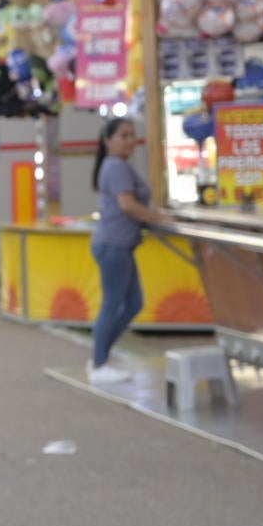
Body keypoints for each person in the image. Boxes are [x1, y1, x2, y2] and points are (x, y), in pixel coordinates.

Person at [89, 116, 172, 384]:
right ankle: (99, 363)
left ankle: (101, 353)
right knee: (113, 303)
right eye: (122, 135)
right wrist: (159, 219)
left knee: (133, 302)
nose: (129, 141)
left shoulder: (119, 166)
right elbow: (128, 205)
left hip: (120, 245)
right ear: (108, 140)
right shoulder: (115, 167)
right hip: (113, 244)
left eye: (131, 135)